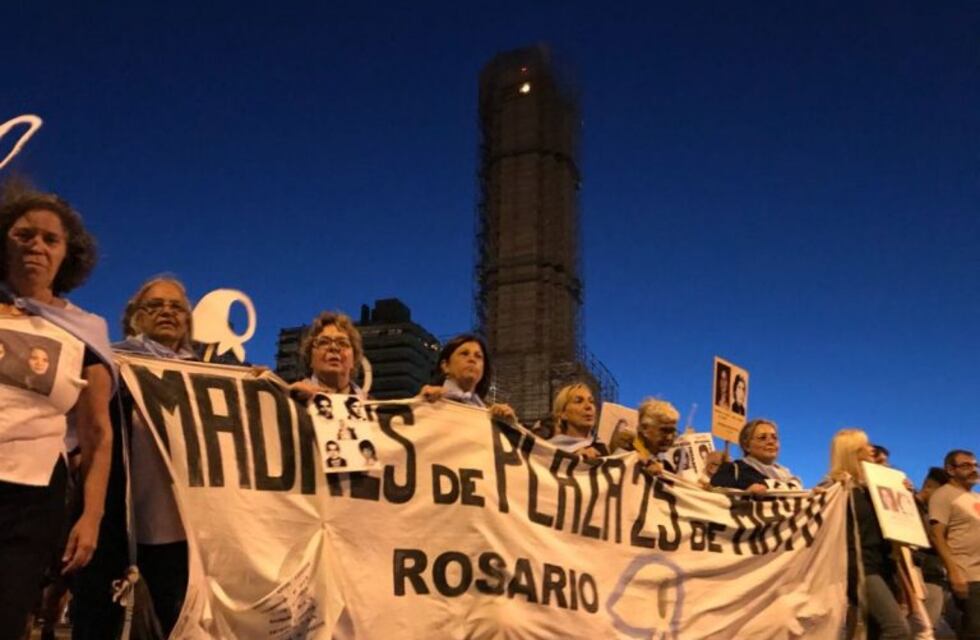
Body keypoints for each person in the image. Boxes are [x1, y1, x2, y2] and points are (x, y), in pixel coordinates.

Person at [74, 276, 237, 638]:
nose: (167, 312)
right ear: (135, 318)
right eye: (155, 306)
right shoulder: (112, 361)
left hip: (184, 531)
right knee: (100, 621)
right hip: (116, 520)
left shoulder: (213, 375)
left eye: (176, 306)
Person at [0, 180, 115, 636]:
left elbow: (98, 435)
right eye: (24, 234)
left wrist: (91, 517)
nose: (37, 246)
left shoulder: (85, 331)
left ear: (68, 254)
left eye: (51, 239)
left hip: (31, 500)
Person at [828, 428, 913, 640]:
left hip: (883, 564)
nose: (871, 448)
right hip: (860, 566)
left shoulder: (873, 487)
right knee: (897, 630)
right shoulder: (837, 489)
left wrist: (903, 495)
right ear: (852, 452)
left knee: (875, 630)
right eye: (864, 445)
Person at [930, 449, 980, 639]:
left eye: (975, 465)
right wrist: (953, 571)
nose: (973, 469)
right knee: (974, 631)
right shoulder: (944, 495)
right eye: (966, 465)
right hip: (967, 574)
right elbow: (937, 536)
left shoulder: (976, 497)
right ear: (950, 470)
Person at [420, 333, 517, 424]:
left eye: (478, 356)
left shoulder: (491, 415)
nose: (472, 359)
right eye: (464, 353)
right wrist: (421, 404)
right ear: (445, 366)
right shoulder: (427, 400)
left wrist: (507, 427)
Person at [711, 419, 801, 493]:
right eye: (762, 438)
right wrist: (745, 494)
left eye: (775, 437)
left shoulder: (787, 475)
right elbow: (713, 495)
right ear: (746, 446)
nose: (771, 442)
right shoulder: (732, 470)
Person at [291, 311, 366, 399]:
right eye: (323, 342)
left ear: (353, 359)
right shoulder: (292, 398)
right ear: (310, 358)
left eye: (343, 343)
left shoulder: (373, 408)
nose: (333, 347)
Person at [915, 467, 950, 629]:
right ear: (928, 487)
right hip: (923, 575)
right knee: (923, 628)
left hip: (934, 575)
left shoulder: (930, 510)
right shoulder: (910, 508)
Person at [549, 383, 607, 461]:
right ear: (563, 414)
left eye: (591, 401)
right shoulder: (548, 451)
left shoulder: (603, 448)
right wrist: (574, 461)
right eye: (578, 401)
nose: (588, 406)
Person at [632, 398, 679, 476]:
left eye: (673, 431)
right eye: (664, 431)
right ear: (644, 428)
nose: (669, 438)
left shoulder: (667, 467)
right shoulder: (626, 458)